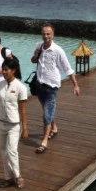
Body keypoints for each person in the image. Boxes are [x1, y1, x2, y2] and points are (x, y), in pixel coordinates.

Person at [30, 22, 80, 154]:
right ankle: (54, 128)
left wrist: (75, 84)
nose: (46, 36)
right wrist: (36, 54)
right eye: (44, 34)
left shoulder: (58, 50)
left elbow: (67, 68)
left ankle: (44, 141)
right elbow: (33, 61)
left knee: (46, 114)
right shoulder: (38, 46)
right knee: (46, 110)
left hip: (51, 87)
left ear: (53, 35)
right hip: (39, 84)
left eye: (48, 34)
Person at [0, 56, 28, 189]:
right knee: (3, 151)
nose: (3, 72)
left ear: (13, 70)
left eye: (6, 70)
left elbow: (23, 111)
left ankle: (18, 176)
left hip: (14, 125)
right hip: (1, 123)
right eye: (3, 69)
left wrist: (25, 129)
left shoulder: (20, 87)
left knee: (11, 151)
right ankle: (8, 177)